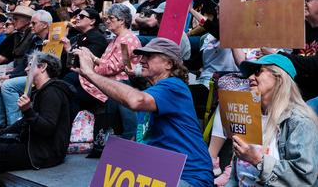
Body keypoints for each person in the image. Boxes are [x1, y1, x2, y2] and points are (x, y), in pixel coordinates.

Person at [73, 37, 213, 187]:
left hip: (189, 176)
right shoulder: (151, 94)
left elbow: (135, 100)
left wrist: (90, 73)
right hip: (158, 175)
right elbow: (140, 139)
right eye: (142, 56)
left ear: (169, 63)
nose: (141, 60)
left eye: (149, 56)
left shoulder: (174, 86)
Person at [228, 54, 318, 186]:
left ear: (279, 78)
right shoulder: (248, 117)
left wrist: (257, 160)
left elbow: (302, 179)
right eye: (249, 74)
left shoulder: (300, 122)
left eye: (257, 72)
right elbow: (236, 176)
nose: (250, 78)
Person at [0, 52, 75, 172]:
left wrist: (27, 110)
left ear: (43, 67)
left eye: (30, 65)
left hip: (43, 153)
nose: (26, 69)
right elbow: (23, 122)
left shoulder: (52, 92)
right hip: (33, 145)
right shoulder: (40, 91)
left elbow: (47, 128)